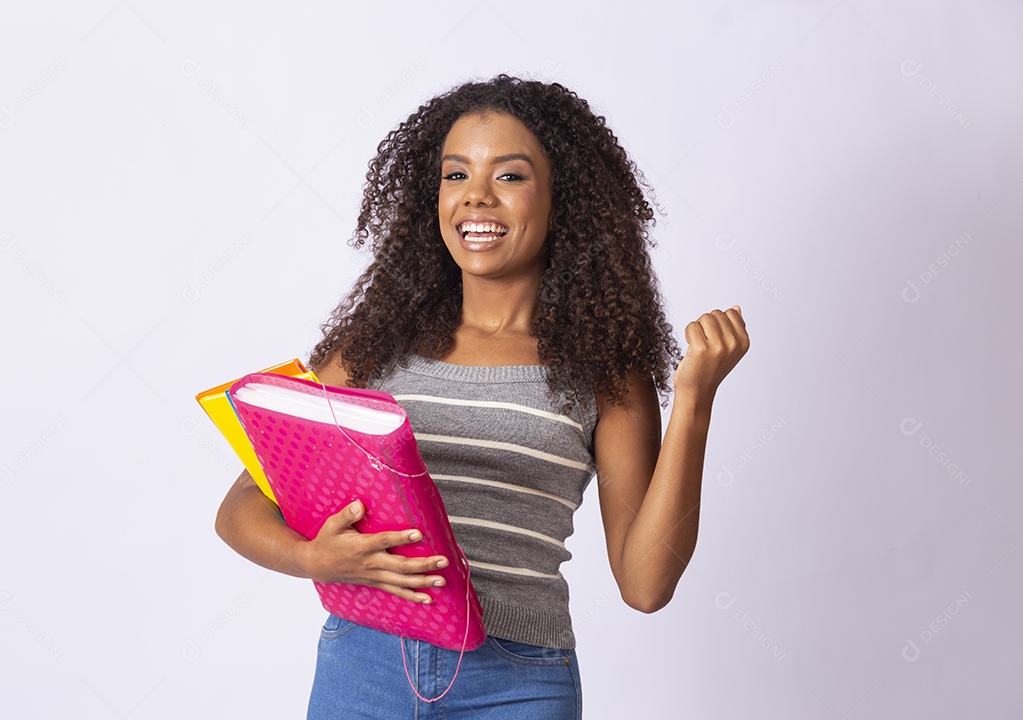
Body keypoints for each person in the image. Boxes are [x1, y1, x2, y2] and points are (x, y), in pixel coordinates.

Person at [215, 74, 750, 719]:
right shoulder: (371, 347)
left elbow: (645, 584)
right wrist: (313, 557)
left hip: (517, 682)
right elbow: (241, 507)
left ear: (564, 200)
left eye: (511, 176)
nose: (476, 198)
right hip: (365, 666)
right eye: (455, 175)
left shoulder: (605, 368)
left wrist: (693, 400)